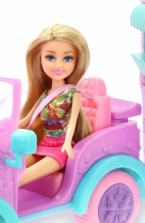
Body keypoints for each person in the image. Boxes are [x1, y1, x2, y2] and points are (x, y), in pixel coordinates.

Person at [17, 24, 92, 187]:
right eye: (50, 58)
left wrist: (67, 143)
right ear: (39, 58)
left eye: (67, 58)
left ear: (77, 62)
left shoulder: (73, 94)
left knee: (21, 178)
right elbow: (28, 120)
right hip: (42, 144)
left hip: (61, 148)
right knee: (11, 171)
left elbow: (72, 122)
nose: (58, 65)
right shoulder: (45, 94)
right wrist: (6, 130)